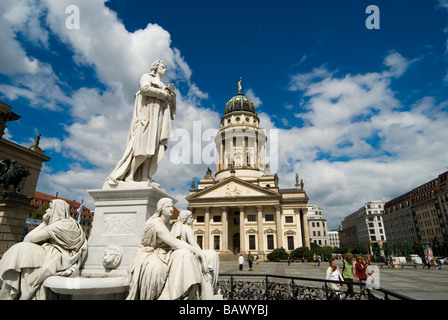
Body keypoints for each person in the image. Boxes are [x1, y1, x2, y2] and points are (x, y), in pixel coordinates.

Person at [106, 59, 176, 186]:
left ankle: (144, 177)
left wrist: (170, 97)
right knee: (143, 148)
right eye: (163, 67)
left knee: (153, 150)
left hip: (157, 119)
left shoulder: (162, 84)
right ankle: (130, 176)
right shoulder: (146, 77)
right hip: (147, 117)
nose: (165, 69)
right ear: (156, 67)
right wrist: (163, 94)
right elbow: (144, 89)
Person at [126, 198, 213, 300]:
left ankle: (183, 292)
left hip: (163, 252)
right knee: (160, 268)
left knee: (184, 255)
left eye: (172, 206)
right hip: (149, 254)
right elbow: (176, 243)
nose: (171, 209)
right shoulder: (157, 224)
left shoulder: (166, 223)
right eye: (168, 207)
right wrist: (199, 252)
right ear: (160, 209)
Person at [0, 199, 87, 300]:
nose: (46, 211)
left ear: (58, 210)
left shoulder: (63, 225)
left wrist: (44, 223)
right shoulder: (66, 223)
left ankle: (10, 292)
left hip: (60, 257)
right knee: (20, 251)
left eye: (50, 208)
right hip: (52, 253)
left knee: (21, 249)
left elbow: (28, 239)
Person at [171, 210, 220, 294]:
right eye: (191, 217)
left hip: (179, 253)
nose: (193, 219)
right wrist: (202, 255)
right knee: (213, 255)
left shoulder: (175, 227)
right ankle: (212, 287)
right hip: (190, 253)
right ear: (186, 218)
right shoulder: (187, 228)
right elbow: (194, 245)